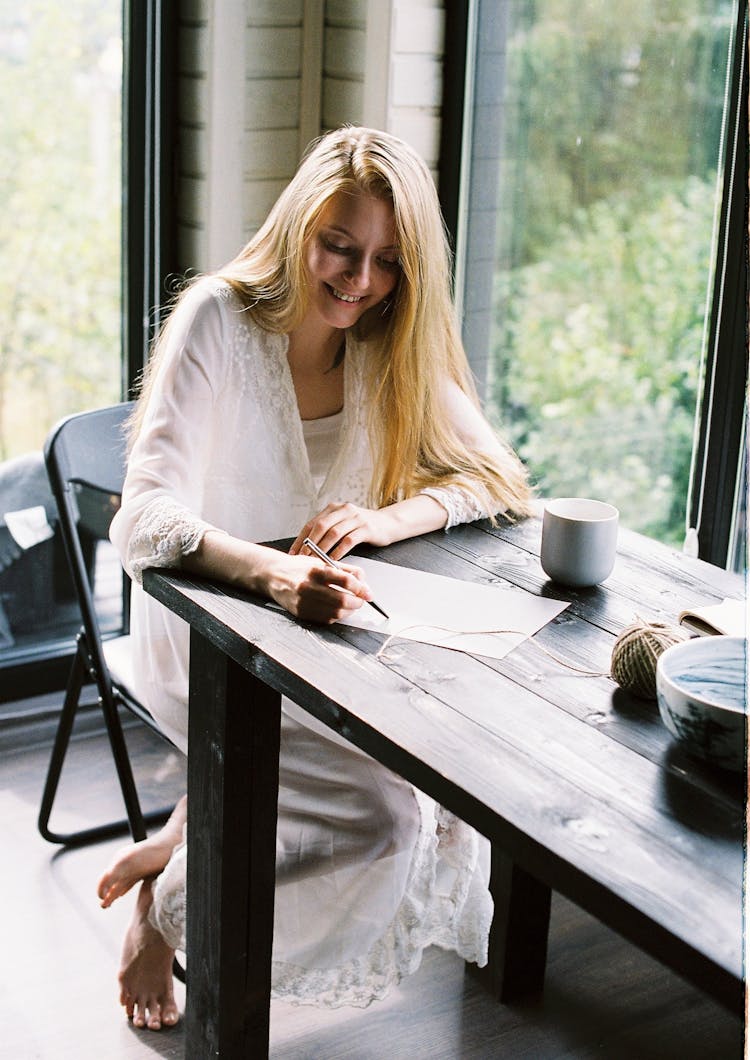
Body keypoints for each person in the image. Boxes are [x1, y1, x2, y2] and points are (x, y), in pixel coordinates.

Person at [98, 124, 533, 1031]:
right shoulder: (217, 319)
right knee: (385, 822)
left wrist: (384, 519)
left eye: (385, 259)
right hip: (210, 631)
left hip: (329, 635)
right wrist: (273, 578)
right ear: (300, 223)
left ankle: (178, 839)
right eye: (340, 245)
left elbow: (499, 480)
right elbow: (141, 517)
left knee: (459, 761)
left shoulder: (386, 337)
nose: (357, 279)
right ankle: (169, 912)